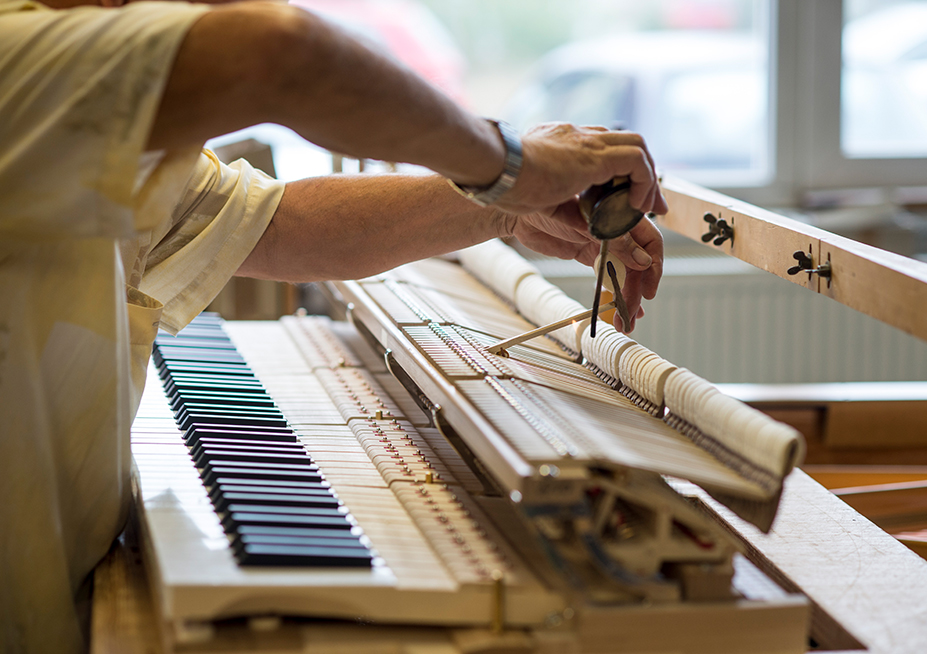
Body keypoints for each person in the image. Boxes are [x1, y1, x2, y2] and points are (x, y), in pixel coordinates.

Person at [0, 0, 667, 651]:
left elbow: (278, 226)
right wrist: (510, 162)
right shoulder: (21, 54)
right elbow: (277, 51)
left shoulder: (76, 93)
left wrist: (502, 211)